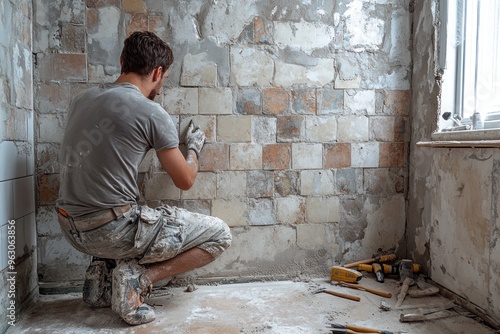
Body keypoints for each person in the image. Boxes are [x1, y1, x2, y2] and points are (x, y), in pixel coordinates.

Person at [55, 31, 232, 325]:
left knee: (119, 204)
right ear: (158, 72)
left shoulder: (80, 101)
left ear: (123, 60)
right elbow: (185, 179)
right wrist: (194, 149)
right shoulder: (151, 112)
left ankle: (102, 279)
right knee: (219, 234)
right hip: (110, 231)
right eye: (164, 78)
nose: (161, 86)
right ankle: (139, 280)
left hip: (70, 228)